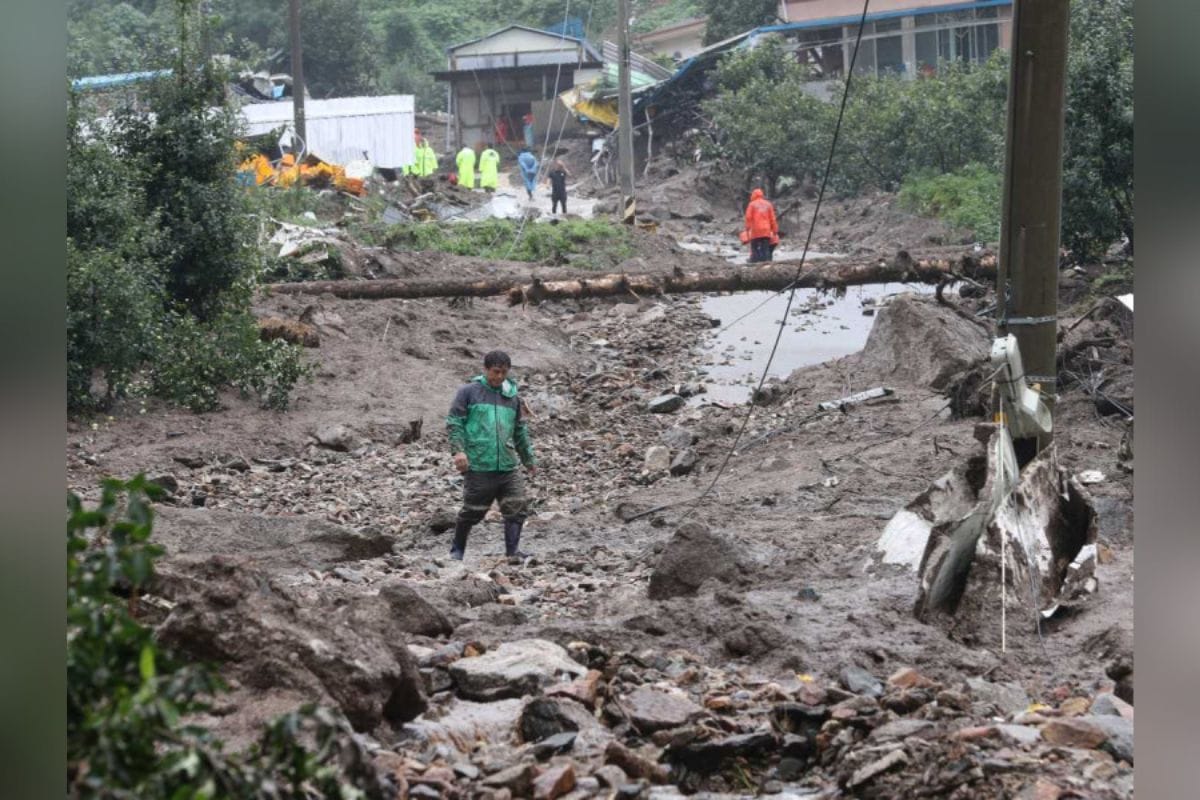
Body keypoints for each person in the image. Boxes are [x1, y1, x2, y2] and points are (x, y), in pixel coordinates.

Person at [446, 350, 537, 563]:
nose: (499, 377)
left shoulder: (512, 397)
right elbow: (455, 423)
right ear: (485, 369)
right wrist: (458, 451)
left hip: (507, 463)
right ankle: (456, 551)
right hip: (479, 462)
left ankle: (512, 552)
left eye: (504, 373)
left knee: (517, 506)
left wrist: (528, 460)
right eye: (495, 372)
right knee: (472, 511)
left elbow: (519, 431)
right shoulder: (468, 392)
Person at [743, 188, 778, 263]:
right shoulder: (768, 204)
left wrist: (747, 228)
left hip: (756, 230)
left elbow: (748, 217)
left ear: (753, 195)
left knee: (754, 247)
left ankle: (754, 262)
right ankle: (766, 263)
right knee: (765, 248)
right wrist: (775, 230)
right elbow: (773, 219)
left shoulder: (752, 204)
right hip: (766, 230)